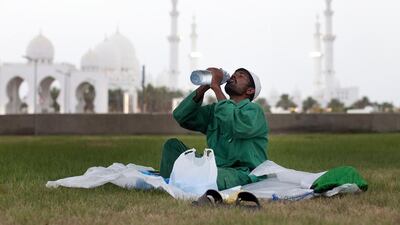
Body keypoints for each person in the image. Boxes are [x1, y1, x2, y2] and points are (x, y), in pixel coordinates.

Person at [160, 67, 269, 190]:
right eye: (234, 73)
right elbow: (181, 116)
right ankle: (173, 182)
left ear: (250, 90)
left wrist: (216, 87)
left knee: (213, 177)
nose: (233, 76)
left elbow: (234, 124)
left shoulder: (254, 111)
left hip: (241, 172)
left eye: (240, 75)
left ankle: (187, 179)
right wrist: (204, 87)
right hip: (213, 166)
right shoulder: (215, 110)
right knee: (172, 146)